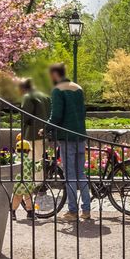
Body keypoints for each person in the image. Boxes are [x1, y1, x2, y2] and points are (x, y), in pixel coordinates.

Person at [46, 63, 91, 221]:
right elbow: (82, 112)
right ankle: (86, 210)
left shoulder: (58, 90)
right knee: (81, 174)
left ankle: (72, 211)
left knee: (70, 175)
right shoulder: (78, 88)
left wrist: (45, 129)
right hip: (80, 136)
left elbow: (56, 115)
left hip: (66, 137)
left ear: (54, 75)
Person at [10, 137, 38, 220]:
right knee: (29, 198)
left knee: (16, 198)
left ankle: (13, 212)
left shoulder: (13, 159)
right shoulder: (29, 161)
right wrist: (40, 164)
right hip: (27, 185)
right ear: (27, 151)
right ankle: (29, 213)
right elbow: (35, 169)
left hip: (16, 184)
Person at [19, 77, 48, 157]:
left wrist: (23, 131)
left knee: (33, 159)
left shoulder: (28, 97)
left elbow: (25, 115)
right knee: (41, 158)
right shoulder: (45, 97)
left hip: (32, 133)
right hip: (45, 132)